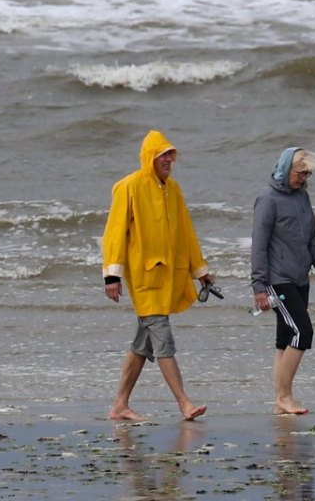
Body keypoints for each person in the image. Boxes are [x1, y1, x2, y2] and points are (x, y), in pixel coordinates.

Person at [102, 129, 216, 422]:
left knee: (143, 343)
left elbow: (187, 233)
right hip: (145, 279)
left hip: (169, 278)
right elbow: (113, 233)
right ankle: (184, 403)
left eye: (170, 155)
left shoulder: (173, 190)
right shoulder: (129, 187)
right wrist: (112, 276)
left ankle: (120, 405)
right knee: (162, 338)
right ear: (149, 157)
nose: (168, 159)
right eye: (163, 154)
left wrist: (200, 271)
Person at [250, 147, 315, 415]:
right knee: (303, 332)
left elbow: (313, 240)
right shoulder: (268, 199)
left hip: (300, 278)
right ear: (285, 169)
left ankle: (280, 400)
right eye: (301, 173)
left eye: (308, 174)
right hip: (277, 280)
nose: (304, 179)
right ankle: (285, 396)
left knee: (285, 338)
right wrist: (259, 287)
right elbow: (258, 247)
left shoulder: (302, 197)